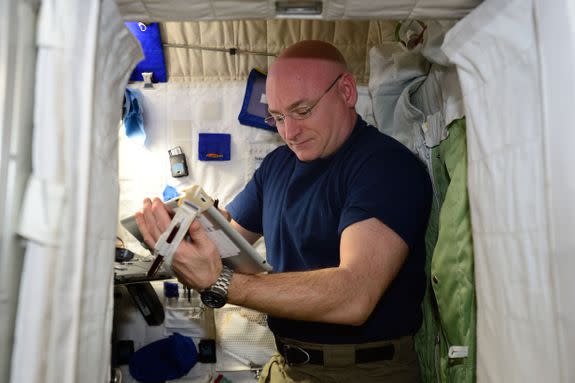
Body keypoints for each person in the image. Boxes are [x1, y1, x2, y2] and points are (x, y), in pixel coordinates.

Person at [135, 40, 432, 382]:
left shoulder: (384, 166)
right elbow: (227, 239)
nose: (289, 132)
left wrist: (221, 283)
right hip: (287, 364)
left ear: (347, 92)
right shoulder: (278, 164)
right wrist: (180, 234)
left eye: (302, 110)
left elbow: (354, 296)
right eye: (277, 117)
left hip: (363, 371)